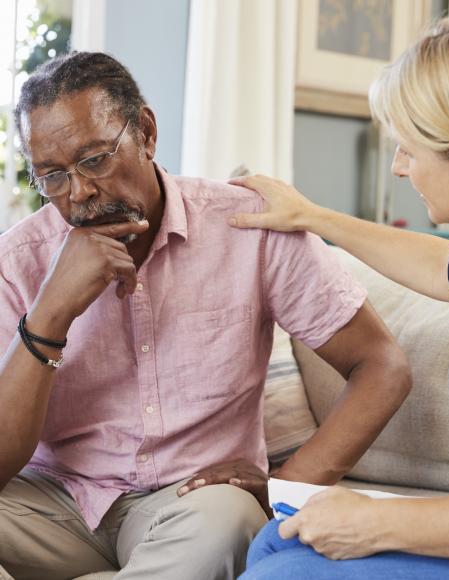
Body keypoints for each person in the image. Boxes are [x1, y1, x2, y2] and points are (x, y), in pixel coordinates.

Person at [0, 52, 412, 580]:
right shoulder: (19, 260)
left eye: (95, 159)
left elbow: (382, 366)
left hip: (191, 505)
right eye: (52, 176)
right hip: (55, 505)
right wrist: (50, 312)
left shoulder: (250, 227)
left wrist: (288, 483)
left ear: (146, 133)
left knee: (225, 524)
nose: (78, 193)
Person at [229, 14, 449, 580]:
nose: (398, 166)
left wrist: (374, 522)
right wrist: (311, 216)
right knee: (274, 541)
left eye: (408, 149)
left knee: (282, 573)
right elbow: (443, 267)